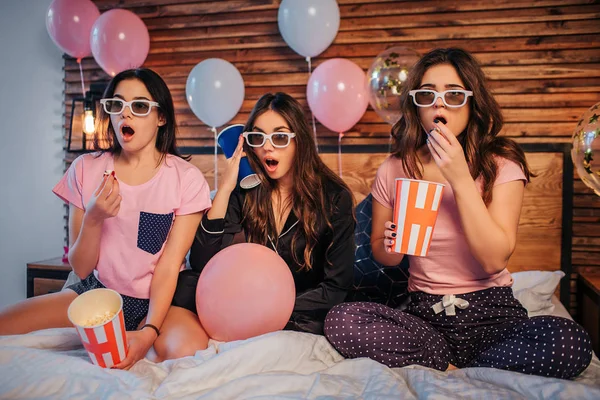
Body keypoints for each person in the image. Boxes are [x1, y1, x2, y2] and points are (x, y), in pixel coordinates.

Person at [323, 48, 593, 379]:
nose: (439, 103)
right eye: (428, 95)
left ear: (472, 102)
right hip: (426, 317)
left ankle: (459, 370)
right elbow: (383, 254)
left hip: (493, 315)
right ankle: (456, 366)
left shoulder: (502, 165)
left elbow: (494, 260)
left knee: (571, 341)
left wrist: (460, 177)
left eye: (453, 94)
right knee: (341, 319)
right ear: (416, 105)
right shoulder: (395, 168)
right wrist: (393, 245)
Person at [0, 68, 211, 370]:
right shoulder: (85, 168)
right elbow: (81, 267)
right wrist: (95, 218)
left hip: (156, 302)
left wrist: (149, 332)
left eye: (139, 106)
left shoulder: (186, 179)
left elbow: (168, 266)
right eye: (117, 105)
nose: (126, 115)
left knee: (185, 349)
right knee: (5, 326)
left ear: (161, 117)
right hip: (95, 294)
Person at [152, 92, 356, 361]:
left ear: (300, 141)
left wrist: (271, 309)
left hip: (302, 305)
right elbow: (202, 261)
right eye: (258, 138)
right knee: (185, 283)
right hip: (244, 298)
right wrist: (225, 188)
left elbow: (337, 286)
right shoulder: (247, 190)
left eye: (280, 137)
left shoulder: (333, 197)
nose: (267, 148)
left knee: (339, 316)